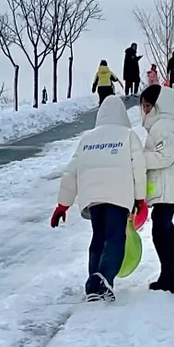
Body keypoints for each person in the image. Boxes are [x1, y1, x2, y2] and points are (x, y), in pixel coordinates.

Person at [51, 96, 147, 302]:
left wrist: (62, 204)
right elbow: (138, 168)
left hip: (93, 199)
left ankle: (93, 283)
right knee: (115, 238)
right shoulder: (128, 135)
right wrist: (140, 199)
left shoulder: (87, 138)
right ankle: (102, 279)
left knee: (98, 237)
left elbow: (71, 173)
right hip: (119, 196)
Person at [138, 84, 174, 295]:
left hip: (172, 183)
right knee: (161, 224)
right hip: (168, 183)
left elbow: (165, 156)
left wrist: (136, 158)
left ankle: (173, 278)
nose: (144, 110)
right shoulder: (162, 125)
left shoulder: (164, 125)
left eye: (147, 105)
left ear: (158, 106)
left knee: (160, 229)